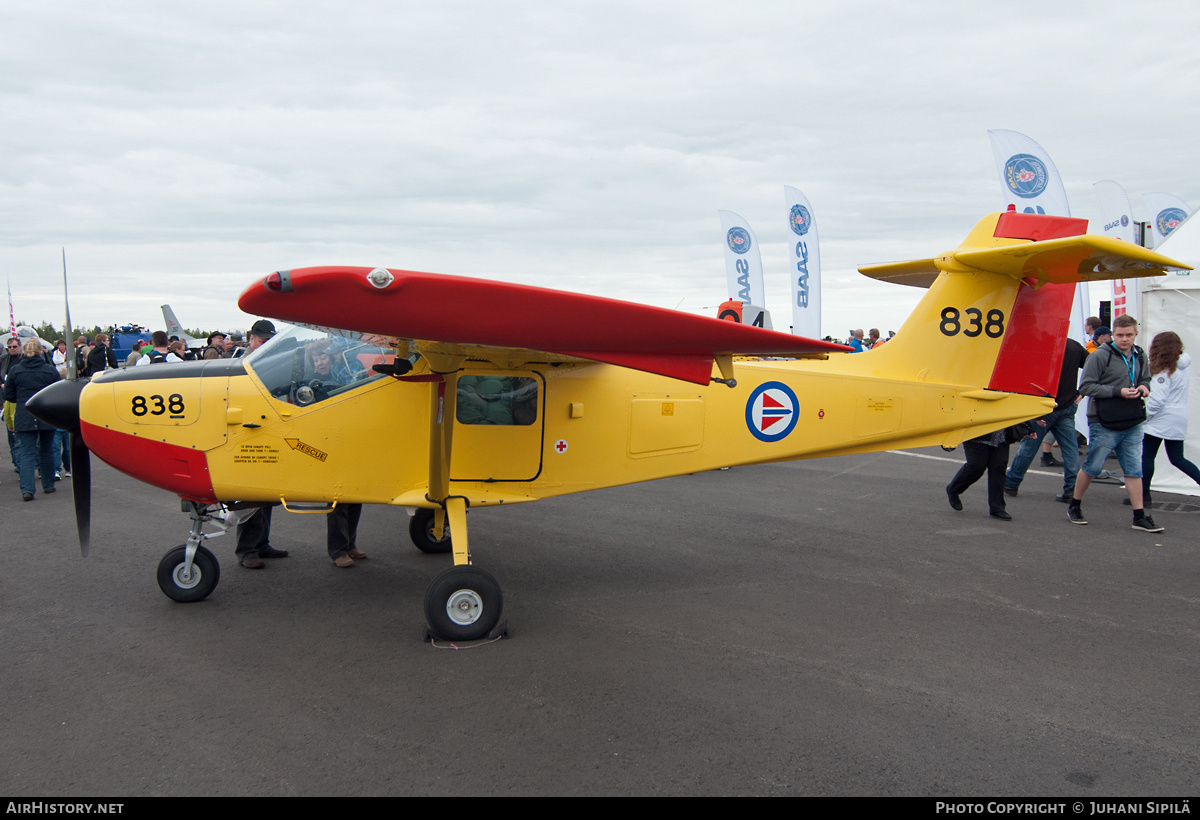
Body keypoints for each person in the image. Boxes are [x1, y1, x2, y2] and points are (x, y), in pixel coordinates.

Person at [1067, 314, 1161, 531]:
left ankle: (1139, 516)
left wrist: (1145, 388)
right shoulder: (1100, 356)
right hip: (1104, 419)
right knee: (1093, 466)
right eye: (1120, 335)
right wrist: (1117, 392)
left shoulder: (1139, 355)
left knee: (1134, 468)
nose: (1124, 339)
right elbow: (1086, 387)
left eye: (1129, 335)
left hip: (1133, 419)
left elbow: (1145, 378)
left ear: (1136, 334)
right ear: (1112, 335)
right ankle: (1075, 504)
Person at [1004, 337, 1088, 502]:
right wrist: (1082, 390)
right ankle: (1071, 488)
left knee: (1029, 447)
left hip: (1044, 406)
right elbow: (1094, 367)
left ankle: (1012, 482)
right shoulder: (1073, 346)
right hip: (1065, 405)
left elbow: (1028, 379)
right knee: (1070, 449)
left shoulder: (1042, 347)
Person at [235, 320, 287, 569]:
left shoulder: (267, 363)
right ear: (252, 339)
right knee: (250, 497)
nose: (267, 345)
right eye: (263, 341)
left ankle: (261, 544)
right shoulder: (241, 366)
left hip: (266, 433)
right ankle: (246, 550)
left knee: (266, 496)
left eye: (270, 340)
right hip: (247, 435)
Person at [1137, 331, 1200, 506]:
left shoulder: (1164, 371)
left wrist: (1144, 417)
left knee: (1147, 456)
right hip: (1179, 417)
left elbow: (1157, 401)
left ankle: (1143, 496)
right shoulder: (1182, 365)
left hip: (1161, 419)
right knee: (1178, 458)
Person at [4, 339, 61, 501]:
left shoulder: (15, 371)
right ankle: (48, 484)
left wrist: (21, 400)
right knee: (46, 449)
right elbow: (56, 393)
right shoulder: (50, 371)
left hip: (25, 414)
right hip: (45, 414)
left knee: (26, 453)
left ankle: (27, 489)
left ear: (24, 352)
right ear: (40, 352)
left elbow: (8, 395)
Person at [946, 429, 1014, 520]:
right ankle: (953, 489)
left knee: (999, 469)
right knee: (976, 467)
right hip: (976, 434)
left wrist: (1030, 427)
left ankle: (997, 507)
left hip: (1000, 436)